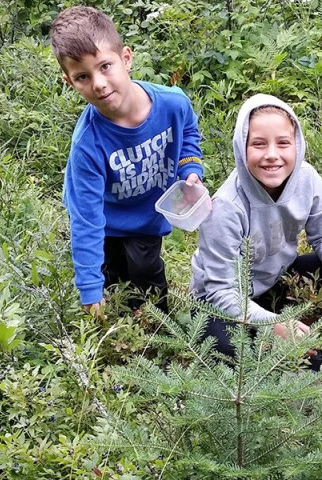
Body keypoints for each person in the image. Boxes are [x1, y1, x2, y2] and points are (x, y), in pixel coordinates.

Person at [190, 94, 322, 369]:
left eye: (283, 143)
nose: (272, 155)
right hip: (221, 303)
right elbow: (220, 291)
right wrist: (272, 323)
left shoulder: (307, 179)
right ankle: (281, 340)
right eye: (258, 144)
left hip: (274, 282)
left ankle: (289, 328)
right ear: (241, 147)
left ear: (297, 145)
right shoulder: (225, 207)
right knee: (221, 345)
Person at [50, 6, 205, 316]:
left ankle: (160, 324)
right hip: (104, 219)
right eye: (83, 76)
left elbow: (188, 130)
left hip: (147, 212)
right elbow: (86, 221)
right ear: (70, 82)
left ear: (126, 58)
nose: (98, 83)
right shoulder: (88, 145)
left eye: (105, 66)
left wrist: (190, 166)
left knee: (147, 270)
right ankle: (123, 323)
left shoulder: (173, 103)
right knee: (114, 276)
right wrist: (89, 288)